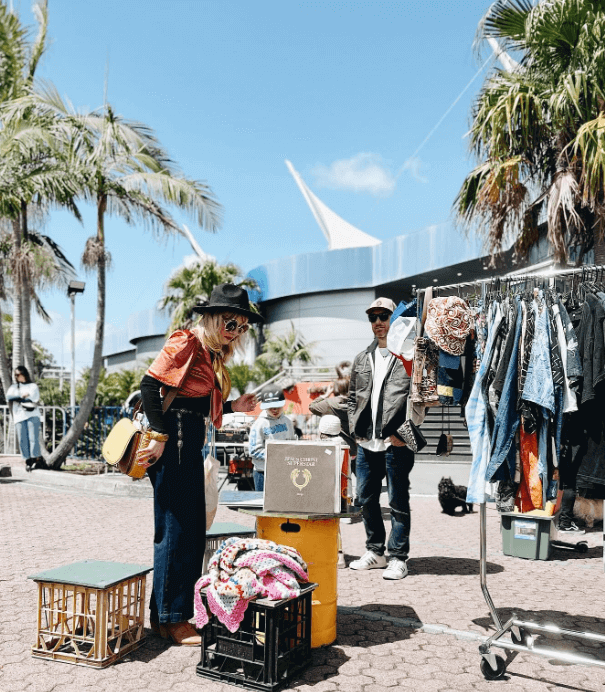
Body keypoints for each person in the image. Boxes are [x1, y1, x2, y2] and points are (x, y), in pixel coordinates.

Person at [138, 283, 261, 646]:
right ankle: (174, 619)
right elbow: (149, 386)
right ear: (210, 317)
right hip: (172, 437)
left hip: (187, 435)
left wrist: (234, 405)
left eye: (241, 326)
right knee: (178, 528)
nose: (234, 330)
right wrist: (159, 438)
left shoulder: (210, 353)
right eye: (229, 321)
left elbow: (196, 403)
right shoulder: (188, 341)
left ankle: (166, 616)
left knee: (188, 528)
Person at [348, 297, 414, 580]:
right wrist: (355, 428)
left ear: (394, 320)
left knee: (398, 501)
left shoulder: (408, 356)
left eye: (383, 316)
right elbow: (352, 397)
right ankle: (376, 551)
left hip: (395, 443)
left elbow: (419, 400)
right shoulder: (362, 358)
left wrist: (405, 433)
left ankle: (398, 557)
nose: (377, 323)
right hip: (366, 443)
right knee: (366, 499)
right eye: (373, 317)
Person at [248, 387, 296, 491]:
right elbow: (253, 451)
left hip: (284, 471)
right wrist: (277, 455)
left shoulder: (287, 422)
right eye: (271, 407)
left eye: (277, 406)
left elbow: (293, 444)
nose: (275, 410)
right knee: (262, 505)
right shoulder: (259, 424)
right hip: (263, 472)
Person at [318, 414, 350, 568]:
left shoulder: (326, 446)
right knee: (335, 524)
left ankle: (336, 554)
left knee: (326, 523)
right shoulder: (342, 443)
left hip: (327, 490)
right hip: (341, 491)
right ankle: (338, 553)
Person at [6, 366, 45, 471]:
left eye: (19, 374)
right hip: (19, 416)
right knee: (23, 440)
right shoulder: (14, 387)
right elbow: (9, 397)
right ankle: (28, 461)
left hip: (32, 414)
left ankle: (35, 459)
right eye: (15, 375)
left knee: (33, 438)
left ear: (24, 374)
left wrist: (19, 398)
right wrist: (22, 396)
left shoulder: (33, 386)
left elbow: (34, 398)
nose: (17, 376)